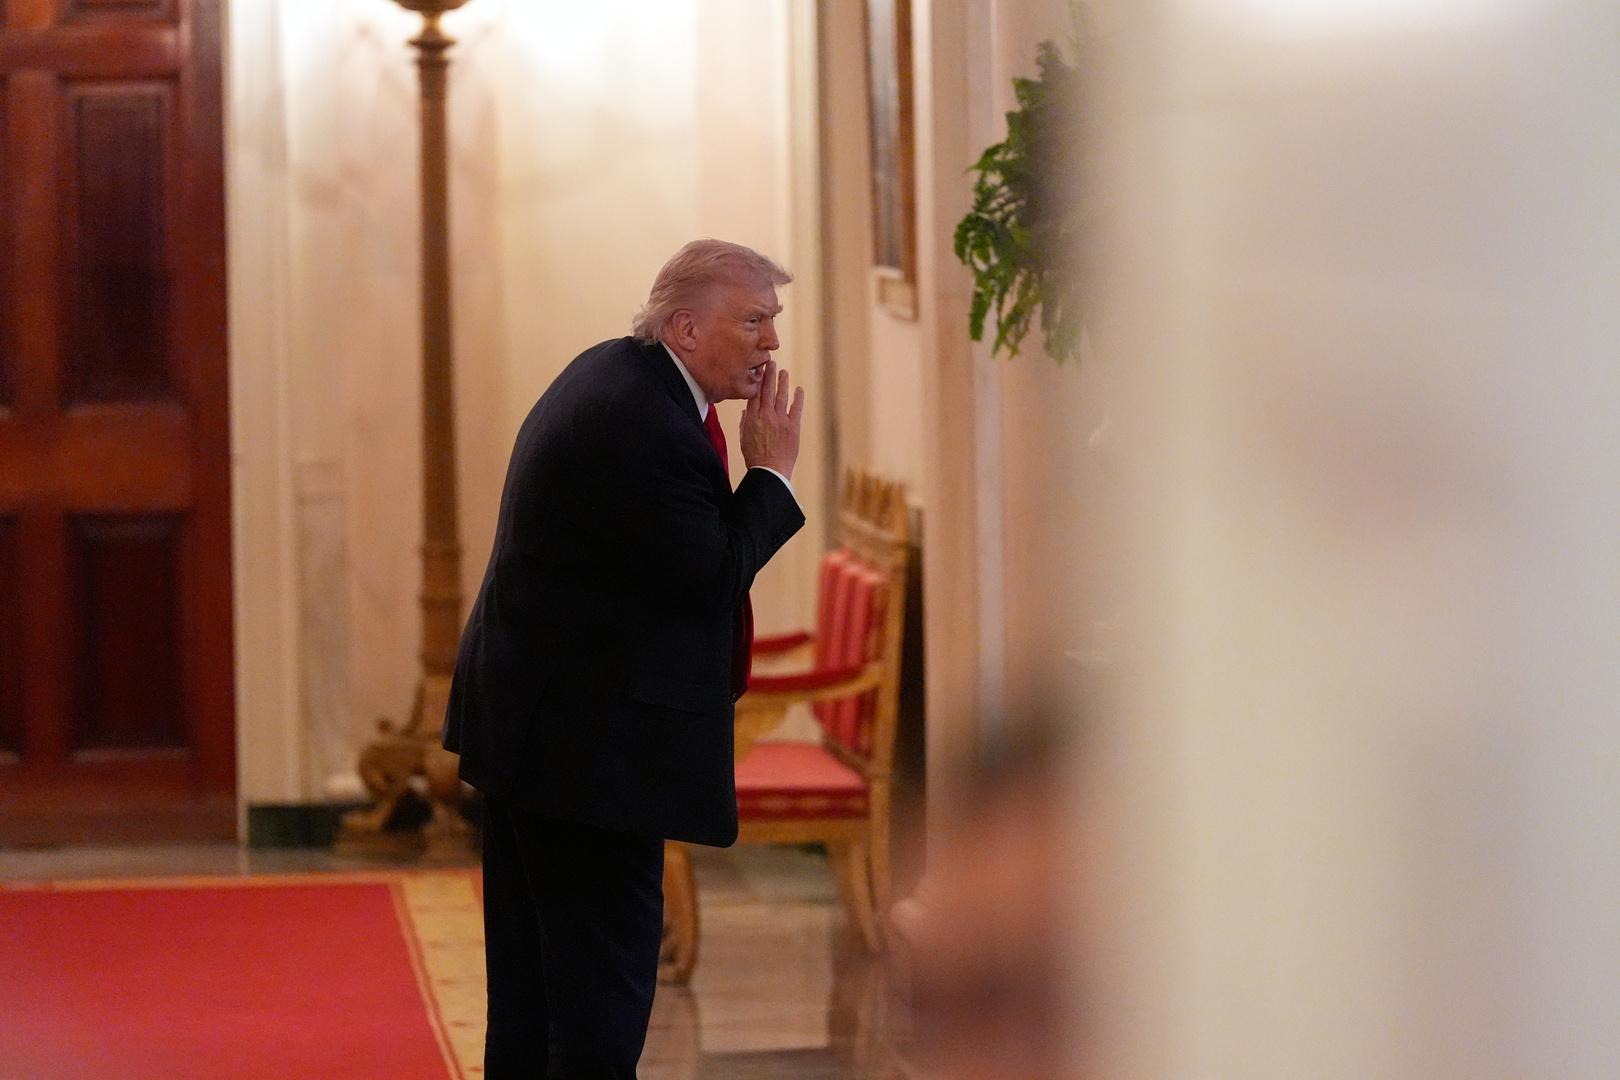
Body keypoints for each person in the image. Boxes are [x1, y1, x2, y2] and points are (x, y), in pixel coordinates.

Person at [443, 238, 807, 1079]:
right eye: (753, 321)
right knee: (596, 1012)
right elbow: (710, 576)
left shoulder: (625, 378)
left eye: (772, 321)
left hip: (546, 734)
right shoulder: (642, 423)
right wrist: (772, 476)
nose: (771, 343)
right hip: (586, 760)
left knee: (536, 1005)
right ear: (685, 328)